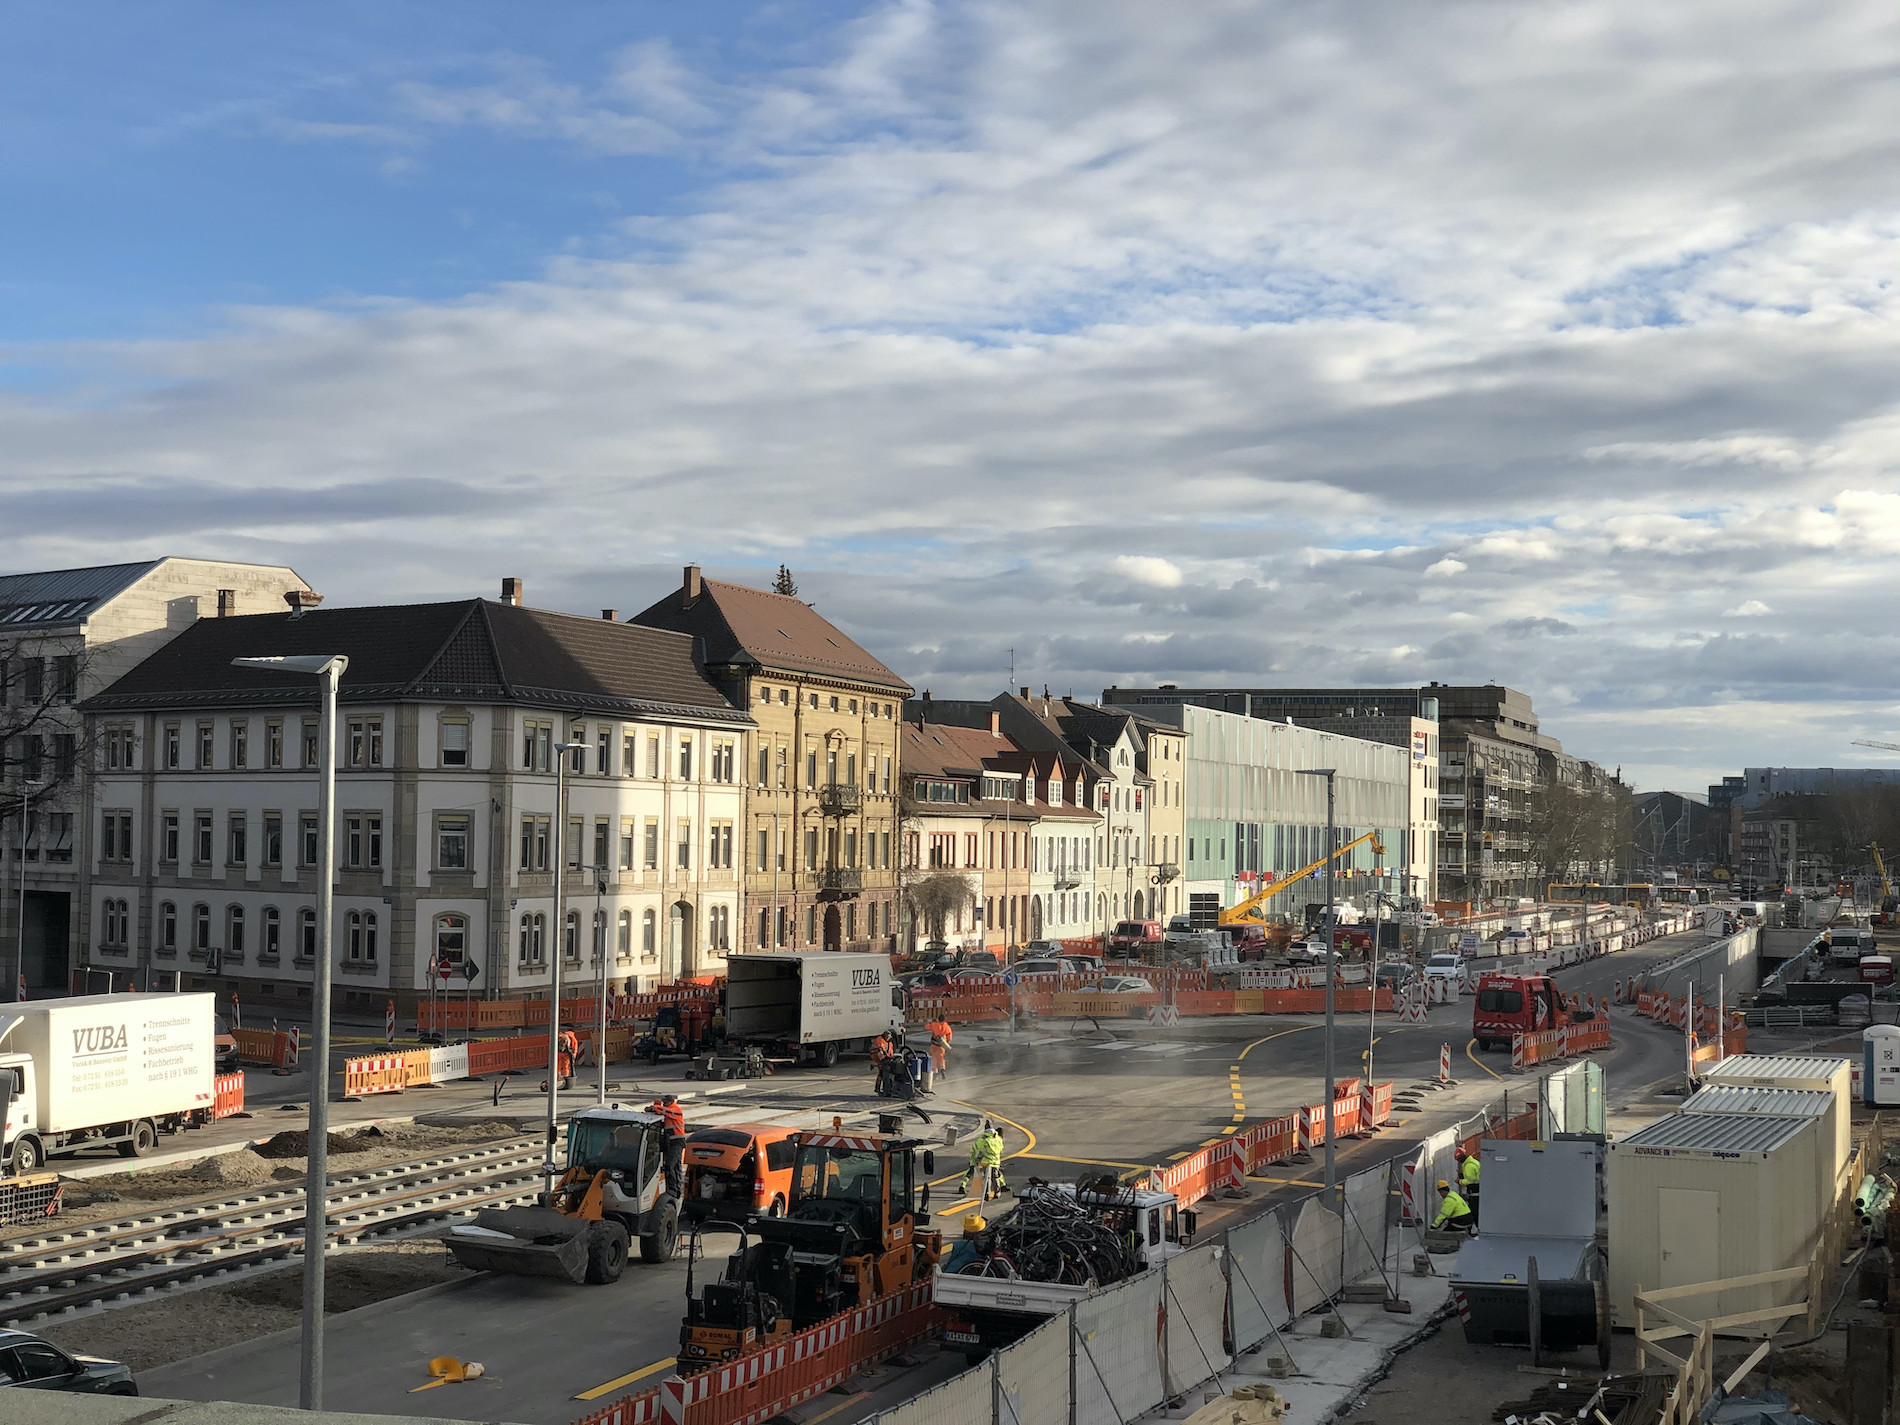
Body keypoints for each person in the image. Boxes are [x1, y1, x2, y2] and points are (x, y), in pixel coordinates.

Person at [959, 1121, 1008, 1202]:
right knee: (996, 1176)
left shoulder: (982, 1139)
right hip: (995, 1162)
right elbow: (1001, 1150)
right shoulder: (998, 1139)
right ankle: (998, 1192)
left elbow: (978, 1151)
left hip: (985, 1161)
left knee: (986, 1178)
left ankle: (986, 1194)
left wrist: (975, 1161)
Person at [1455, 1146, 1481, 1223]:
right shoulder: (1474, 1162)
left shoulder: (1469, 1166)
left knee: (1474, 1212)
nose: (1459, 1162)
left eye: (1459, 1160)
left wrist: (1460, 1181)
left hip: (1475, 1192)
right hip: (1478, 1191)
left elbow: (1470, 1180)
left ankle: (1477, 1226)